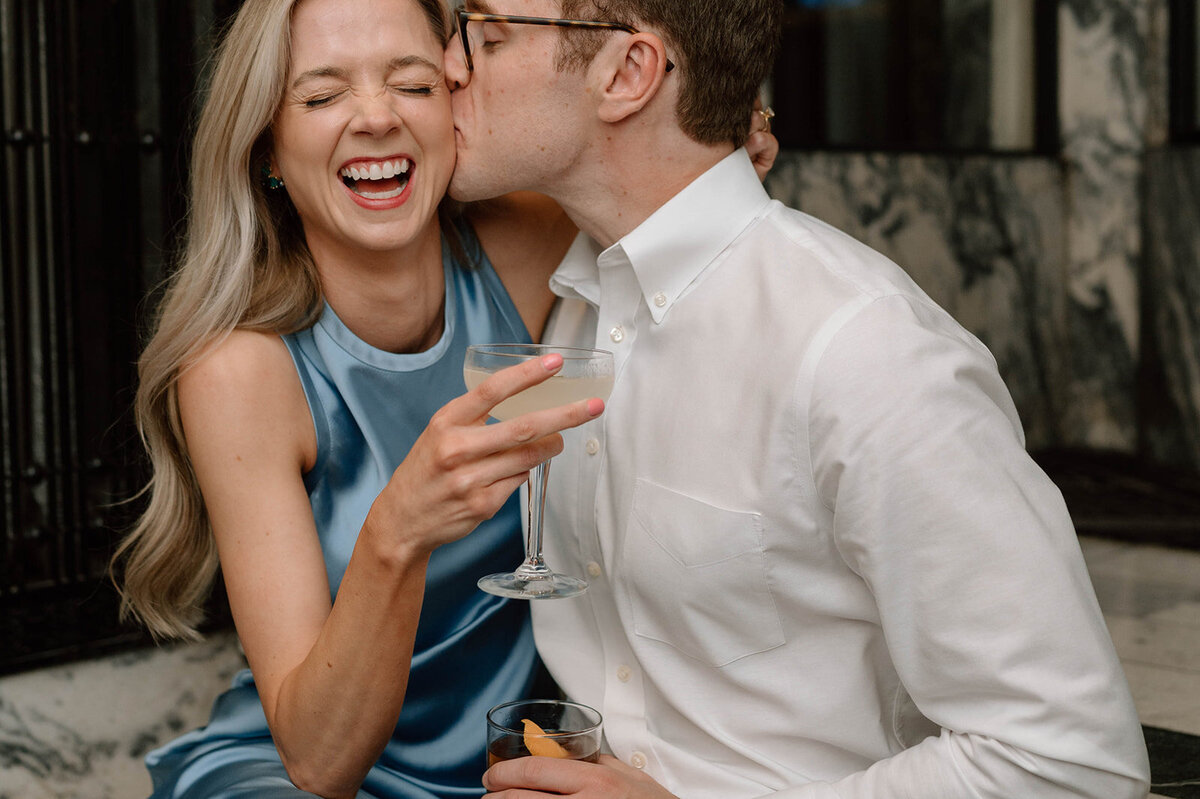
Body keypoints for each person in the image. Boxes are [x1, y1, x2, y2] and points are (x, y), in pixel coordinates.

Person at [441, 2, 1154, 798]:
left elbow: (1071, 761)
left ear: (628, 73)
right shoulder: (574, 304)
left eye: (489, 36)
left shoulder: (865, 352)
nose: (449, 65)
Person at [111, 0, 779, 796]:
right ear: (269, 151)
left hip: (517, 750)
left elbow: (658, 177)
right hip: (298, 762)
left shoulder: (531, 243)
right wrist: (398, 529)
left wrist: (735, 128)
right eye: (321, 97)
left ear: (455, 108)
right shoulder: (240, 371)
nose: (375, 119)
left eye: (414, 85)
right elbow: (318, 761)